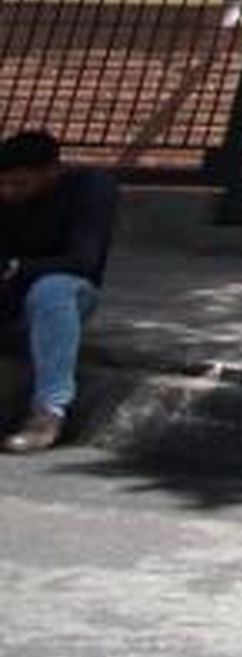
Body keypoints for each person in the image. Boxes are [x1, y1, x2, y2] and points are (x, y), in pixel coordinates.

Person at [0, 129, 115, 452]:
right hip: (8, 302)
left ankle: (48, 413)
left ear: (52, 171)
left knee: (51, 289)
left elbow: (84, 261)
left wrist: (15, 268)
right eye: (3, 184)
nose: (8, 192)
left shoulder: (90, 189)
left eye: (20, 184)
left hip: (64, 297)